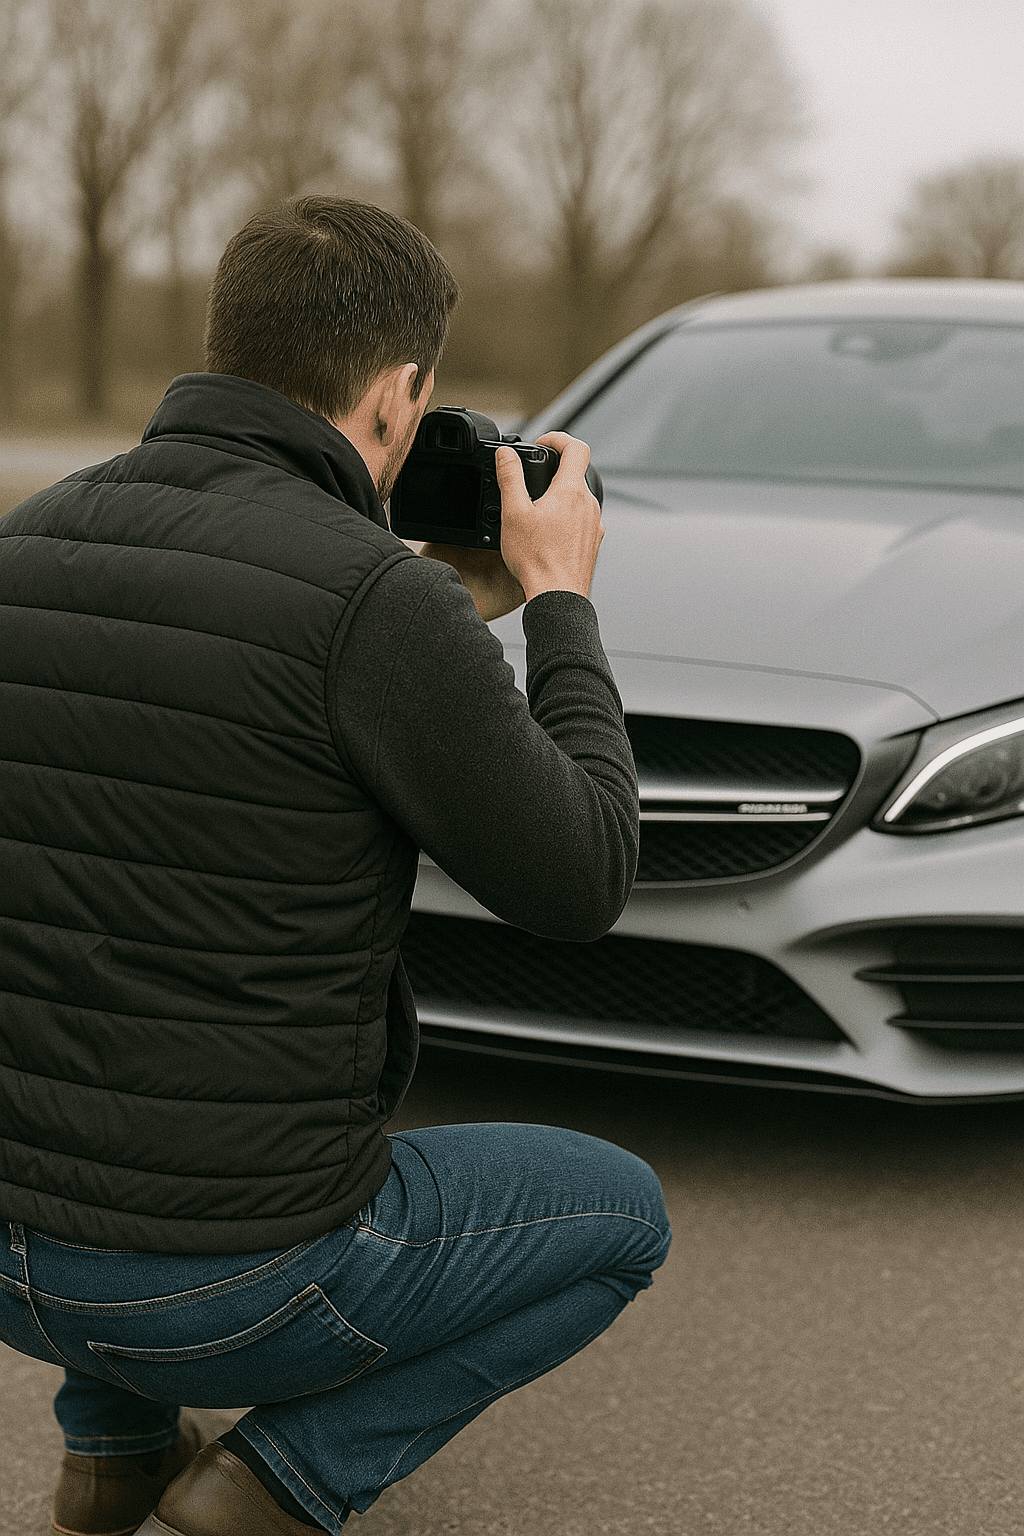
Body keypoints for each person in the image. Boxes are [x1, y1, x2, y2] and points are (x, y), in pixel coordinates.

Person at [0, 196, 671, 1536]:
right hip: (228, 1285)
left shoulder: (30, 540)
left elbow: (218, 715)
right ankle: (272, 1488)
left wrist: (429, 614)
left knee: (105, 975)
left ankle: (113, 1453)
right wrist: (558, 603)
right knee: (621, 1215)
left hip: (13, 1262)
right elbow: (581, 877)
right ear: (395, 392)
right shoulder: (375, 607)